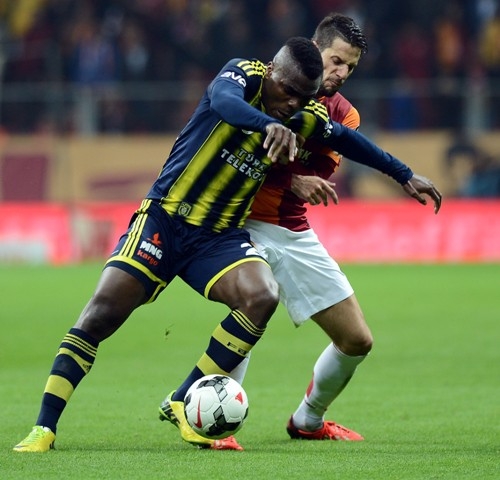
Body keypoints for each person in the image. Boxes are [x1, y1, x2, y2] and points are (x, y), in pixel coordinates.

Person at [13, 36, 323, 453]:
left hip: (216, 237)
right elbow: (224, 103)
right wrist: (265, 125)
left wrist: (400, 172)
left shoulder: (303, 118)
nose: (294, 103)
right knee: (100, 314)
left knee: (261, 295)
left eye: (304, 97)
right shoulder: (242, 75)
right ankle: (44, 428)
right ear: (272, 71)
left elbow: (348, 139)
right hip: (165, 219)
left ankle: (182, 398)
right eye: (289, 91)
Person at [240, 13, 442, 444]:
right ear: (314, 49)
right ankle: (210, 421)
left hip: (289, 228)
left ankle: (308, 420)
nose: (342, 73)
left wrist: (401, 175)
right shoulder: (267, 84)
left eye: (350, 66)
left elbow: (317, 172)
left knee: (357, 340)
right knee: (248, 312)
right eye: (336, 61)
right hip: (237, 221)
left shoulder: (345, 115)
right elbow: (230, 150)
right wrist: (292, 179)